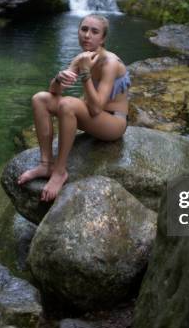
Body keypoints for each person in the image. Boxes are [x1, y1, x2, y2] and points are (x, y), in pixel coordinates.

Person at [17, 14, 130, 202]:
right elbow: (54, 92)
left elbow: (95, 109)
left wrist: (85, 71)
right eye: (84, 29)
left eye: (94, 32)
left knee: (67, 104)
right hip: (93, 116)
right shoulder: (81, 58)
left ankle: (60, 172)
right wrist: (58, 79)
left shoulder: (110, 63)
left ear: (102, 39)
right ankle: (46, 164)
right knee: (40, 99)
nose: (87, 35)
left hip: (113, 123)